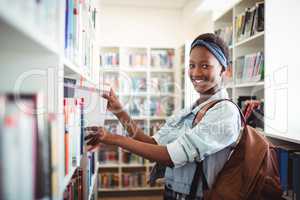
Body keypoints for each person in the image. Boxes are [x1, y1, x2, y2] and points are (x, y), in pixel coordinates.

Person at [85, 33, 241, 199]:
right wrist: (119, 111)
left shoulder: (225, 112)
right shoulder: (191, 109)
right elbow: (150, 142)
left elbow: (170, 156)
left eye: (205, 66)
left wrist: (112, 138)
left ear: (224, 69)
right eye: (192, 65)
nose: (195, 73)